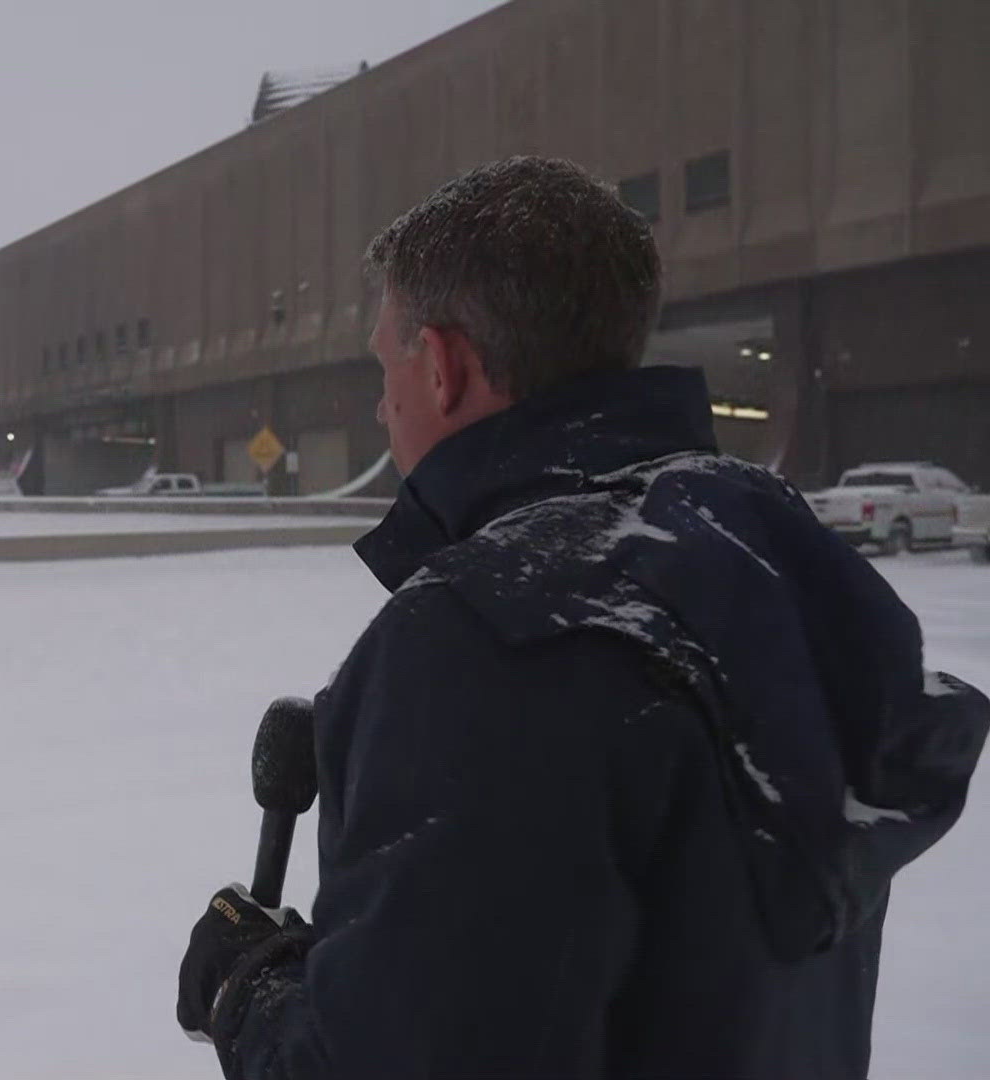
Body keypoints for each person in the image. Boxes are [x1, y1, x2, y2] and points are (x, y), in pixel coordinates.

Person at [175, 157, 990, 1079]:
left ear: (441, 367)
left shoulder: (488, 637)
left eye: (385, 362)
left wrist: (250, 990)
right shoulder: (764, 556)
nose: (379, 401)